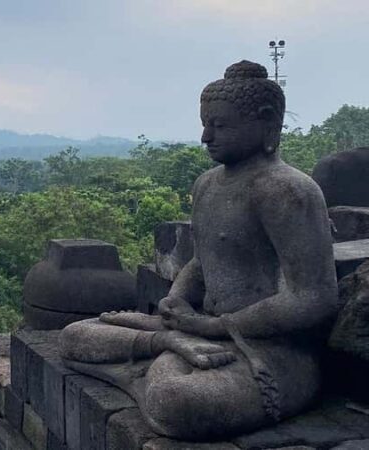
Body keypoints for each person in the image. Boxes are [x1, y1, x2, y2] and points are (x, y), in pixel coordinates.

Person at [59, 60, 339, 440]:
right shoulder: (207, 185)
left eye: (220, 125)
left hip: (268, 349)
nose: (206, 136)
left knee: (179, 399)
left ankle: (154, 374)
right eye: (205, 123)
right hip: (197, 330)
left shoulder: (288, 191)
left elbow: (313, 298)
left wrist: (219, 326)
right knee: (75, 335)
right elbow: (205, 260)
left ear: (266, 121)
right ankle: (166, 349)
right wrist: (177, 301)